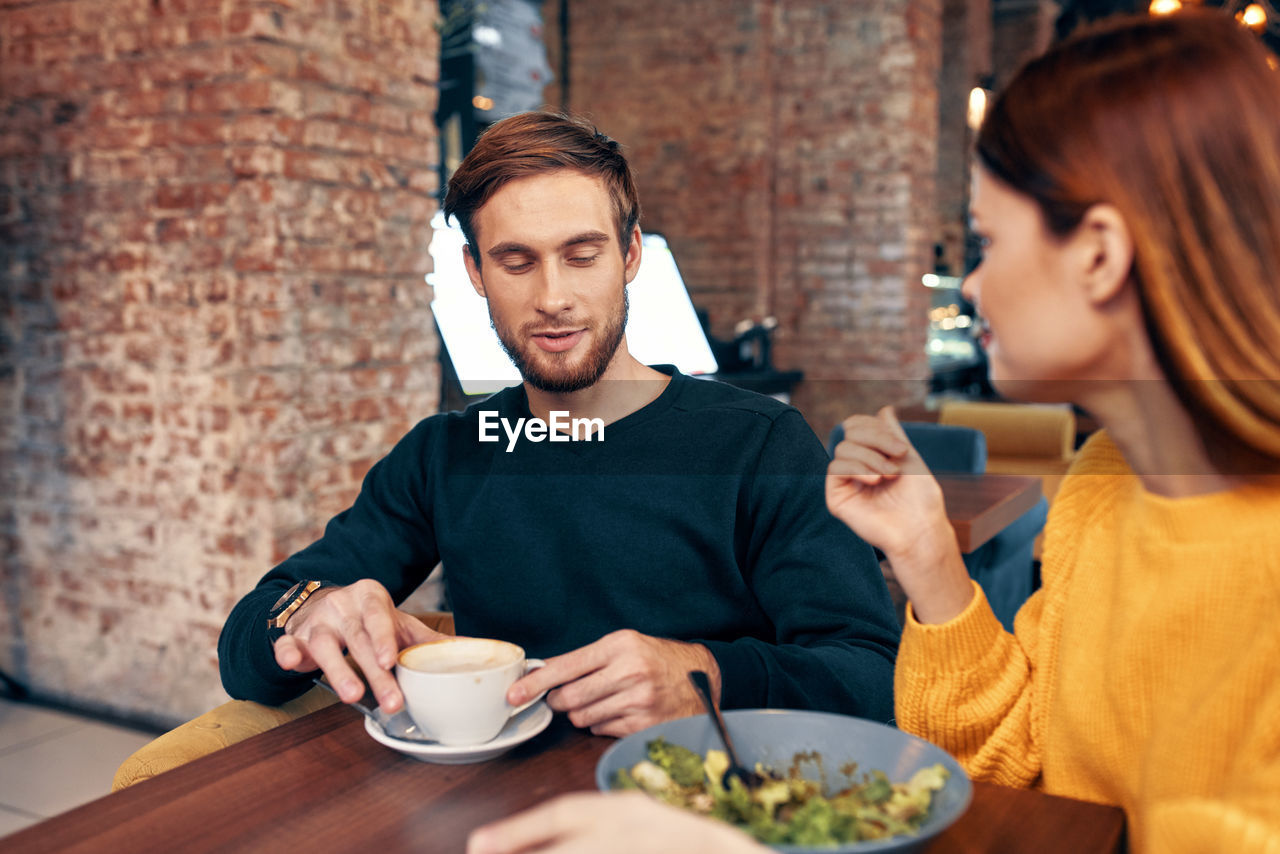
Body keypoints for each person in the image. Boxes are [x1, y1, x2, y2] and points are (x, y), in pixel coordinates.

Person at [465, 11, 1280, 854]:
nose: (972, 289)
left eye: (987, 242)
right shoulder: (1108, 483)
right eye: (517, 260)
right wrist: (929, 556)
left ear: (1099, 257)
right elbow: (1012, 767)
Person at [217, 111, 900, 736]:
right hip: (499, 809)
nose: (553, 299)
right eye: (516, 261)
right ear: (476, 272)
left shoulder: (759, 445)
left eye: (582, 255)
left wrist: (708, 679)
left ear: (630, 255)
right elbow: (248, 642)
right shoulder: (445, 455)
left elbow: (873, 676)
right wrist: (314, 612)